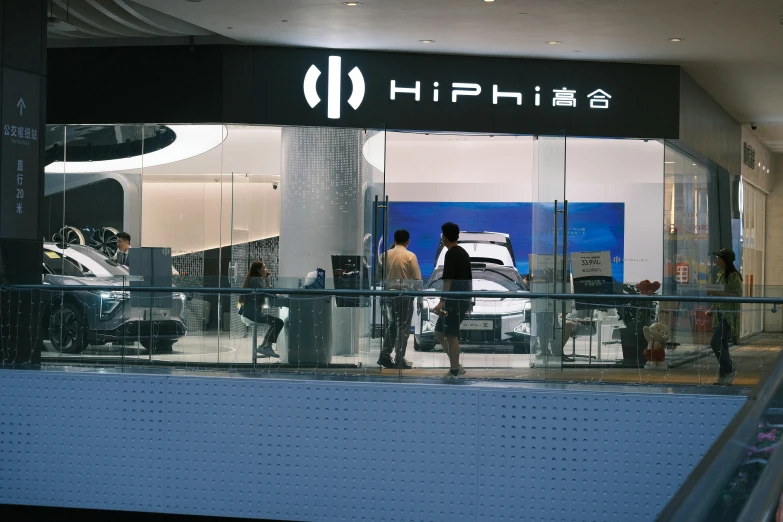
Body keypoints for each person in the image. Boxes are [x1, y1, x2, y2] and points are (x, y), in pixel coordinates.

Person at [432, 222, 473, 378]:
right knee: (439, 331)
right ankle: (457, 366)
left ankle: (454, 370)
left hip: (454, 302)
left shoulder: (451, 253)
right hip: (461, 300)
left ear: (445, 236)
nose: (442, 238)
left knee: (451, 335)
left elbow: (448, 280)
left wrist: (442, 301)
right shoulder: (462, 252)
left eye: (442, 235)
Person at [378, 229, 422, 369]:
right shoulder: (410, 256)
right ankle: (399, 358)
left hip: (388, 295)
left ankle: (385, 356)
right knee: (403, 327)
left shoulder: (384, 255)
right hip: (404, 295)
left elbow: (380, 277)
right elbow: (417, 279)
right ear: (407, 241)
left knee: (391, 326)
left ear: (394, 239)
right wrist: (420, 299)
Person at [707, 248, 741, 385]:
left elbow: (737, 295)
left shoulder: (733, 276)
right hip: (721, 313)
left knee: (715, 342)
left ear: (725, 260)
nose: (716, 260)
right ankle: (724, 374)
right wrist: (713, 308)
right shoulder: (721, 274)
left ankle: (729, 369)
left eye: (719, 258)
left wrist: (718, 293)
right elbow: (721, 293)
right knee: (722, 344)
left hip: (729, 316)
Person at [238, 260, 283, 358]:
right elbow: (265, 292)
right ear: (258, 270)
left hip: (247, 313)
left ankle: (265, 346)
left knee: (275, 322)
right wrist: (271, 288)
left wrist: (267, 284)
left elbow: (263, 292)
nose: (266, 270)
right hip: (252, 314)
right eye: (264, 268)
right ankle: (266, 346)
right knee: (278, 322)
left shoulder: (252, 280)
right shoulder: (256, 280)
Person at [112, 231, 180, 276]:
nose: (117, 244)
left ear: (126, 242)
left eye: (119, 242)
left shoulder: (136, 254)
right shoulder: (120, 254)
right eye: (117, 242)